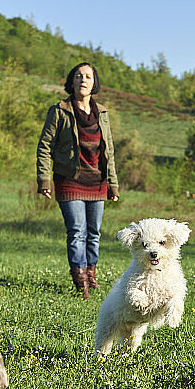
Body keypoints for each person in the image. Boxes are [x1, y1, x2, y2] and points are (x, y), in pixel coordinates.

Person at [36, 62, 119, 298]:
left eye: (88, 77)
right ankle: (80, 281)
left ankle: (92, 277)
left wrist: (113, 183)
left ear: (94, 83)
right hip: (69, 180)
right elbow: (44, 146)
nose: (83, 80)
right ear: (71, 82)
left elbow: (108, 150)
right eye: (78, 76)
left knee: (94, 233)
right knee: (77, 232)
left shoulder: (102, 113)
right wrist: (44, 179)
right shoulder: (59, 111)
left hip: (98, 182)